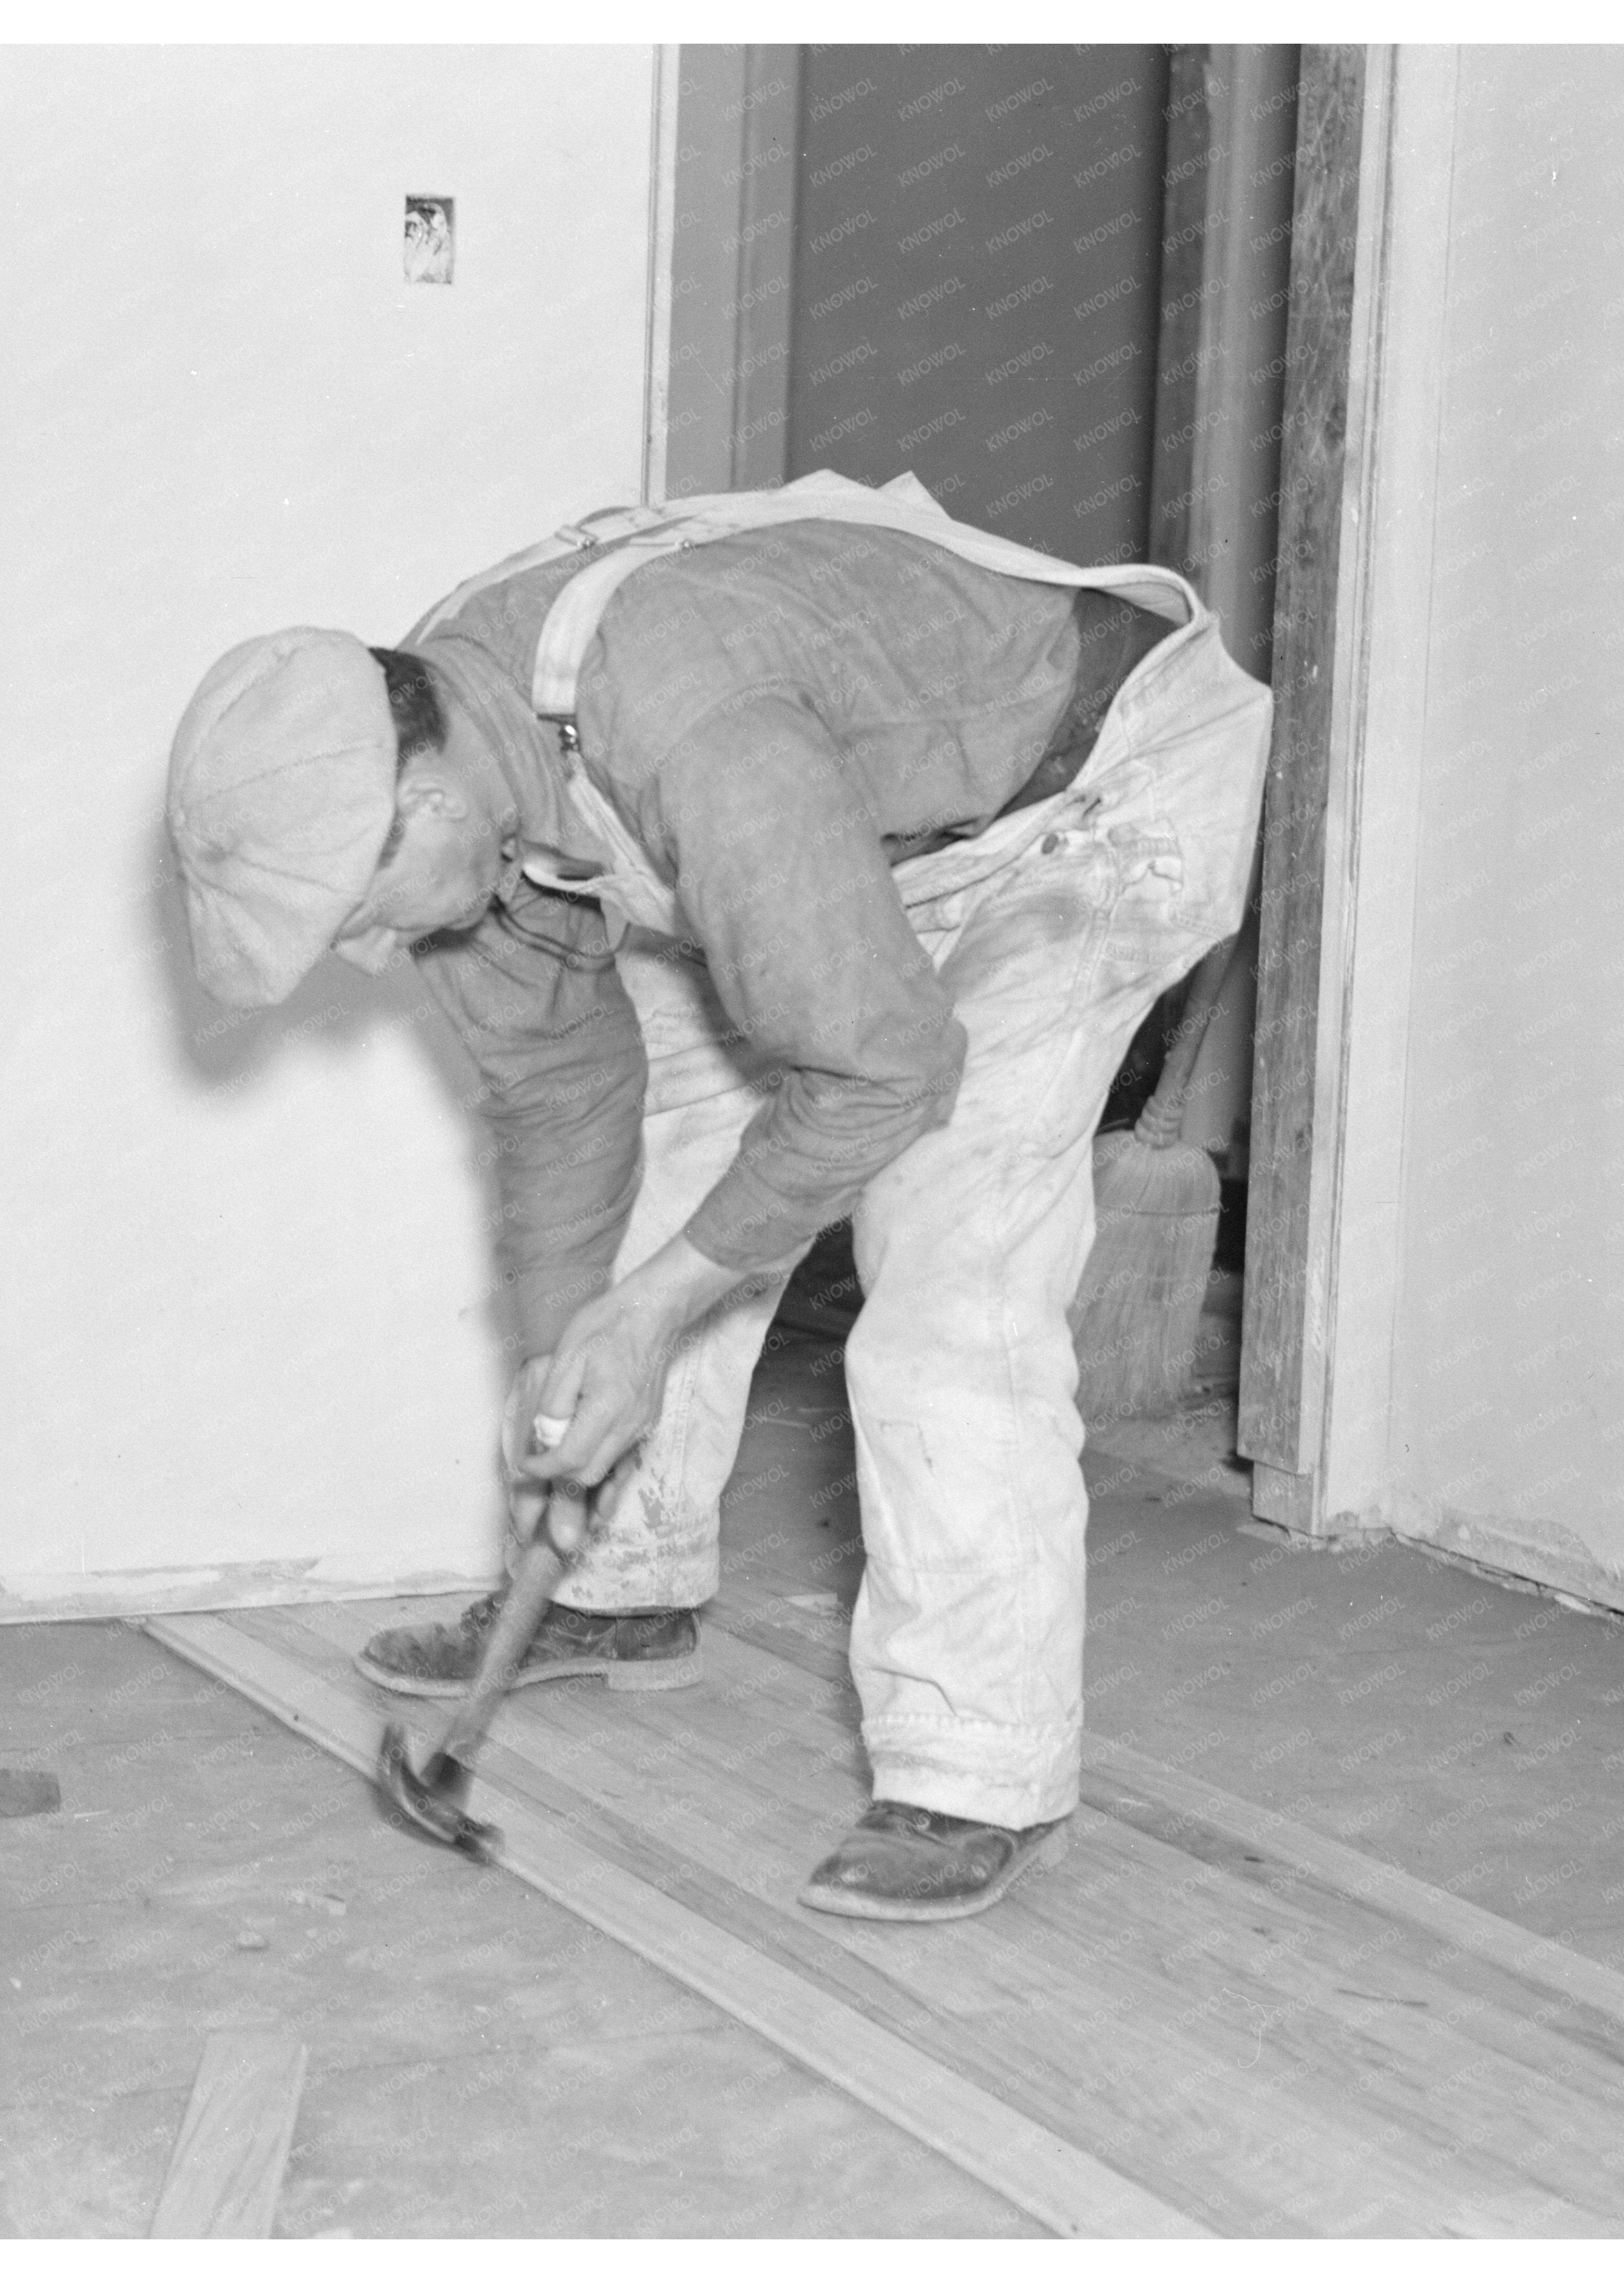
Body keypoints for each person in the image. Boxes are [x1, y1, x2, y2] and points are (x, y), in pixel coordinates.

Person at [163, 469, 1269, 1921]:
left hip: (1079, 803)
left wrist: (657, 1312)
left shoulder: (686, 727)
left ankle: (976, 1767)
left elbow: (882, 1069)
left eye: (358, 918)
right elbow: (560, 1093)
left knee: (946, 1251)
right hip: (848, 826)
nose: (370, 957)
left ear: (418, 807)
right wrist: (579, 1375)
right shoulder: (453, 740)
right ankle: (617, 1574)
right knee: (674, 1171)